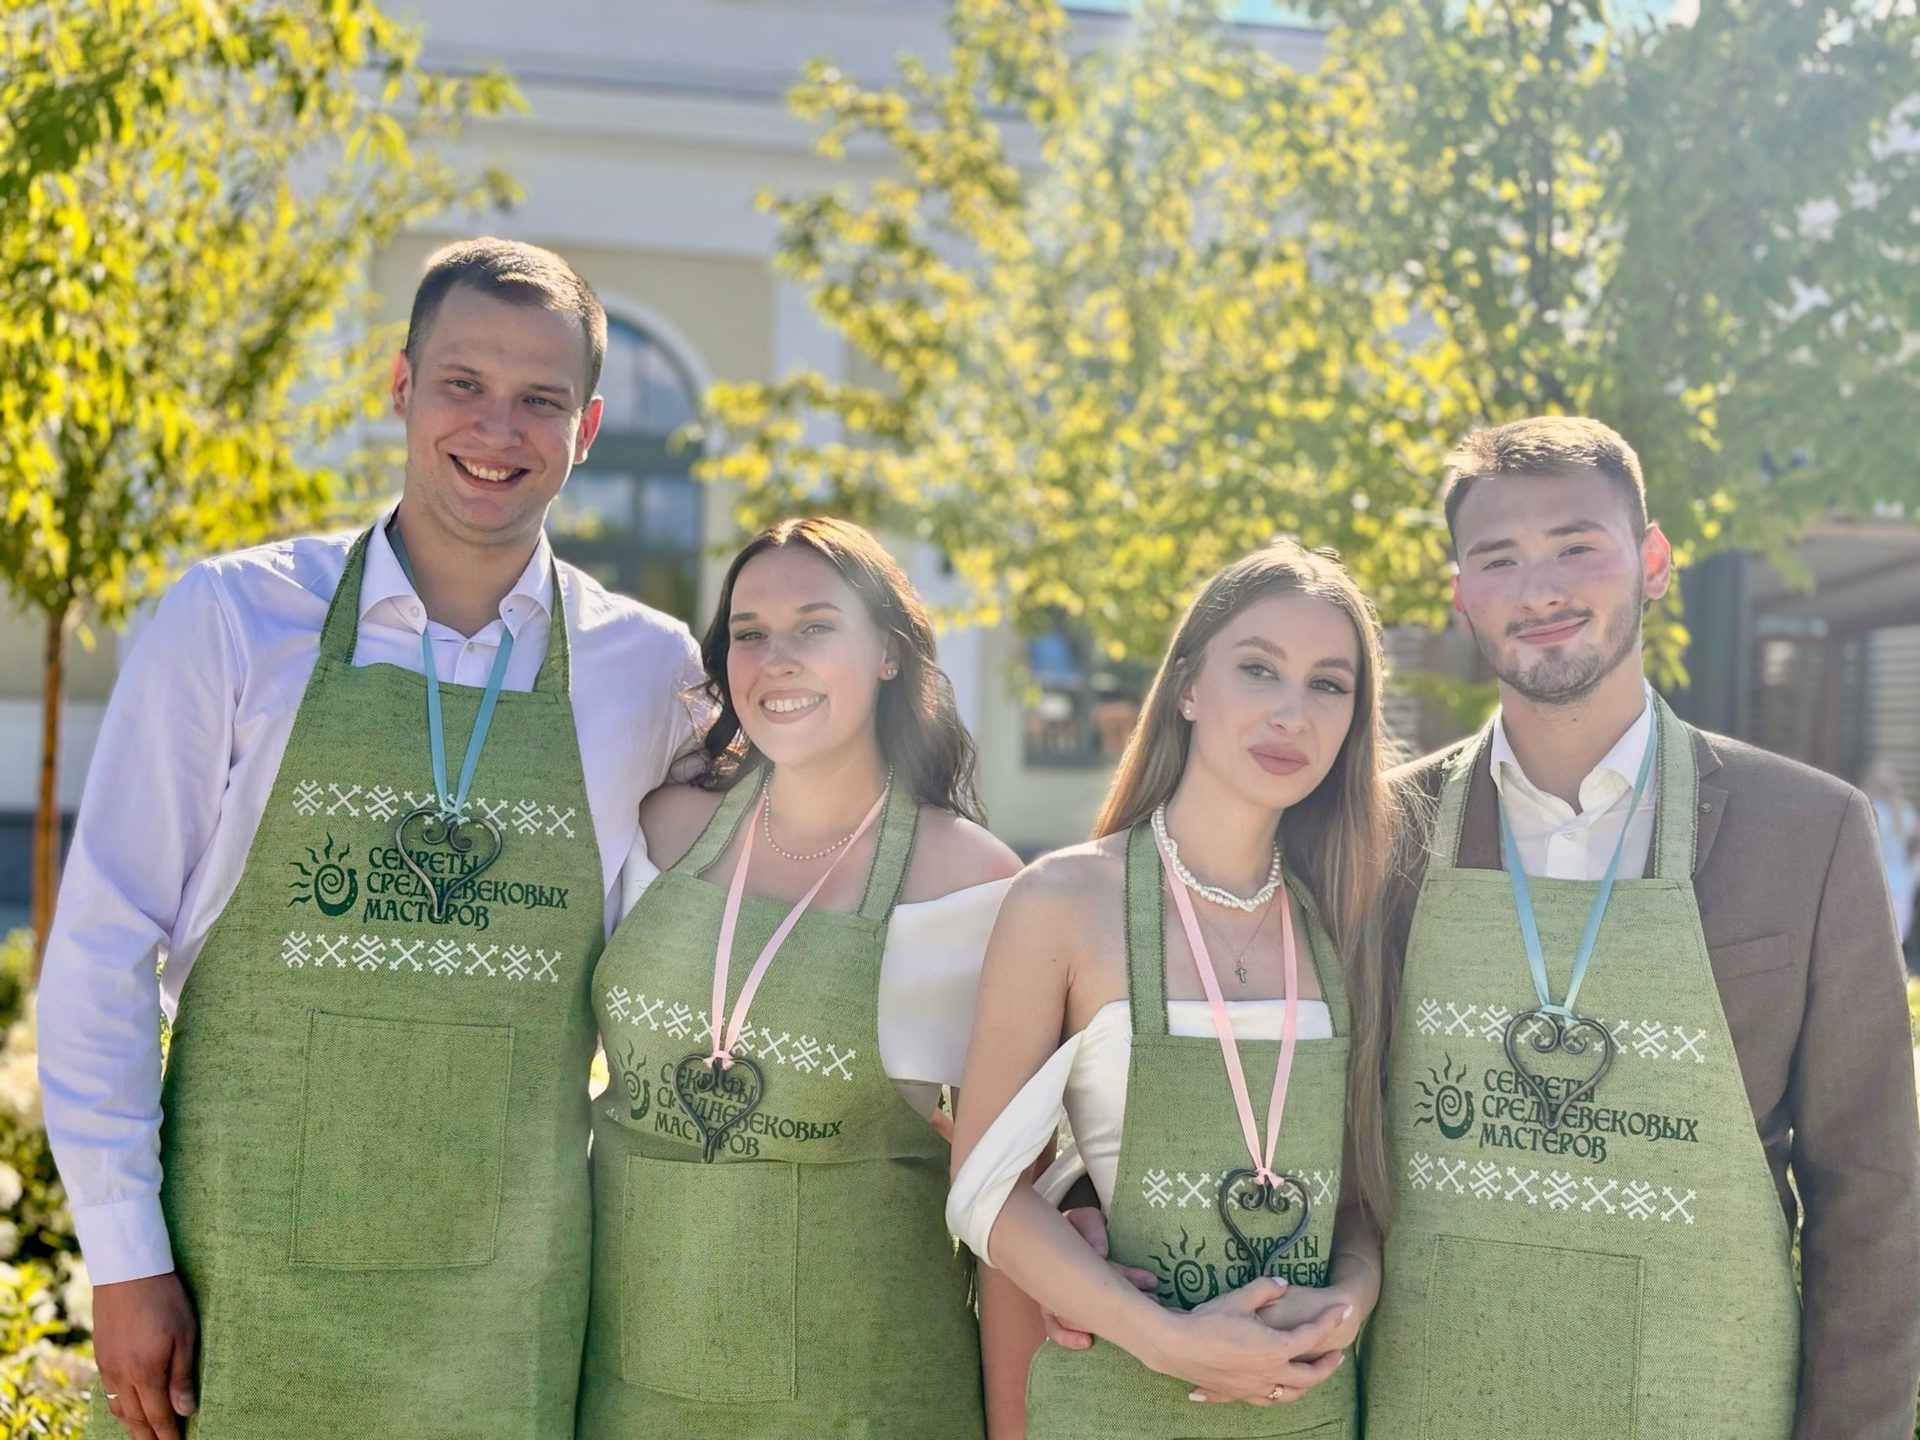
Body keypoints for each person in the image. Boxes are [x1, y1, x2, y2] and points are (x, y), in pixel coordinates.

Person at [38, 239, 706, 1440]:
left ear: (589, 427)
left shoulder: (651, 672)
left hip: (511, 1316)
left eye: (540, 399)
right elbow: (101, 944)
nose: (497, 429)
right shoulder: (235, 620)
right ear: (400, 386)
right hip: (234, 1288)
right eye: (463, 384)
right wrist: (125, 1255)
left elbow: (694, 964)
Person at [1368, 416, 1920, 1439]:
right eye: (1499, 559)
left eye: (1576, 545)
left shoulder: (1809, 832)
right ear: (1460, 594)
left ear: (1653, 562)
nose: (1539, 590)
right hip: (1430, 1404)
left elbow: (1873, 1193)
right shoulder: (1382, 834)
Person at [575, 517, 1024, 1438]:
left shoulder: (973, 883)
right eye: (750, 633)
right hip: (631, 1392)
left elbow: (1010, 1213)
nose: (776, 659)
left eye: (815, 627)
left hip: (865, 1402)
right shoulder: (657, 831)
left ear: (890, 653)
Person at [947, 541, 1396, 1438]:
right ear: (1187, 686)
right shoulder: (1063, 900)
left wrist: (1347, 1299)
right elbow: (983, 1188)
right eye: (1259, 669)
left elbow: (1357, 1200)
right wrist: (1166, 1339)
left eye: (1328, 685)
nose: (1292, 713)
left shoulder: (1351, 918)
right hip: (1116, 1407)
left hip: (1308, 1416)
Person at [1862, 758, 1917, 950]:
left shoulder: (1869, 811)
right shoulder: (1906, 812)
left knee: (1876, 942)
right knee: (1898, 941)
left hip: (1875, 882)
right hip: (1902, 881)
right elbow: (1915, 845)